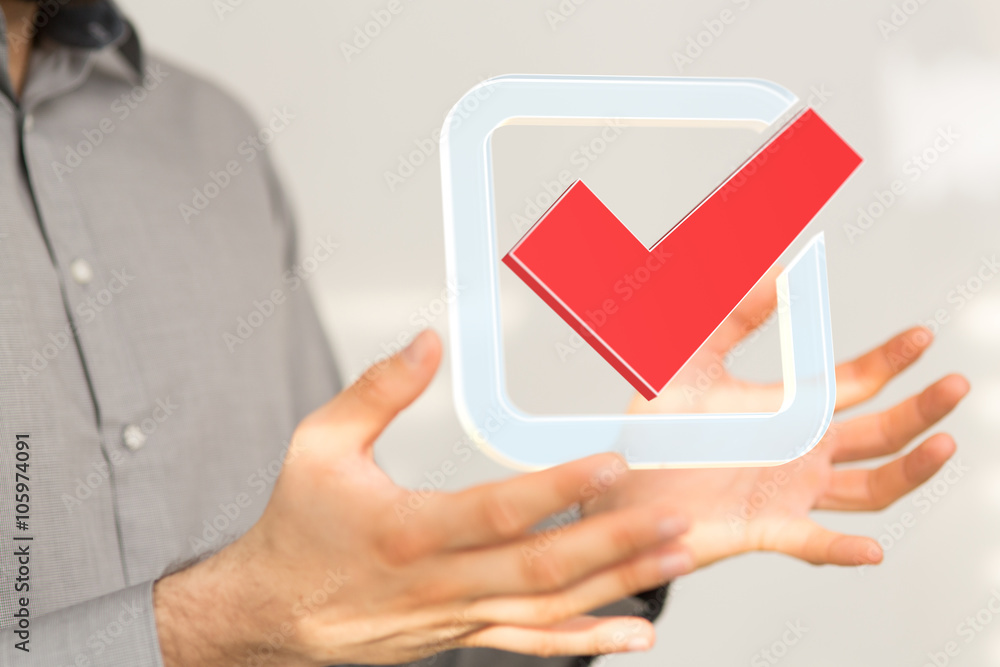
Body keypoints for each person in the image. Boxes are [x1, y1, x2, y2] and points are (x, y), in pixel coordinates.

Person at [0, 1, 969, 665]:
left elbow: (346, 611)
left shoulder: (202, 135)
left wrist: (618, 521)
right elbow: (268, 615)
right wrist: (202, 627)